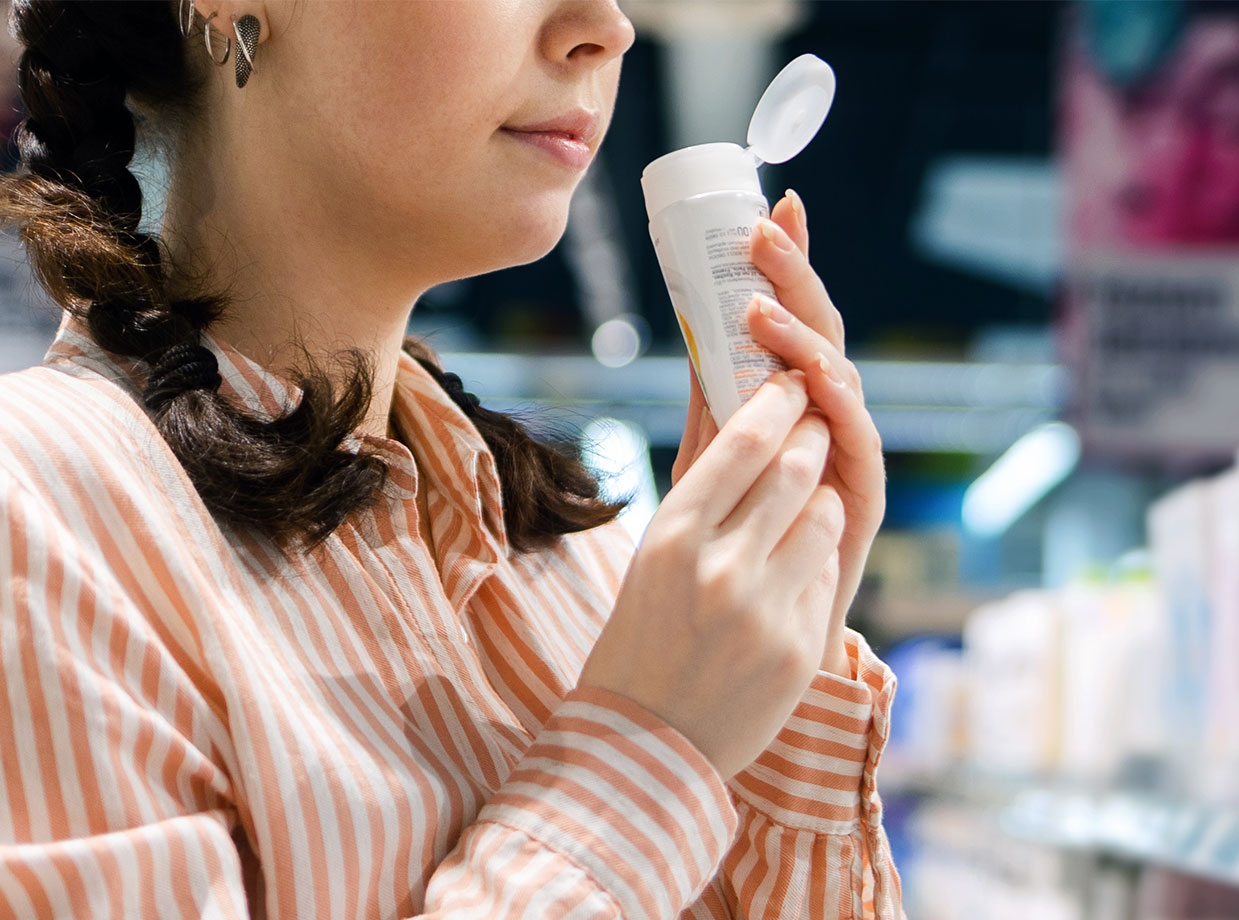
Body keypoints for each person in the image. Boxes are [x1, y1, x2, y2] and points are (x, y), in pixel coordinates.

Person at [0, 1, 899, 917]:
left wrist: (788, 661)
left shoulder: (583, 571)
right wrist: (651, 745)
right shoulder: (35, 523)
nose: (608, 27)